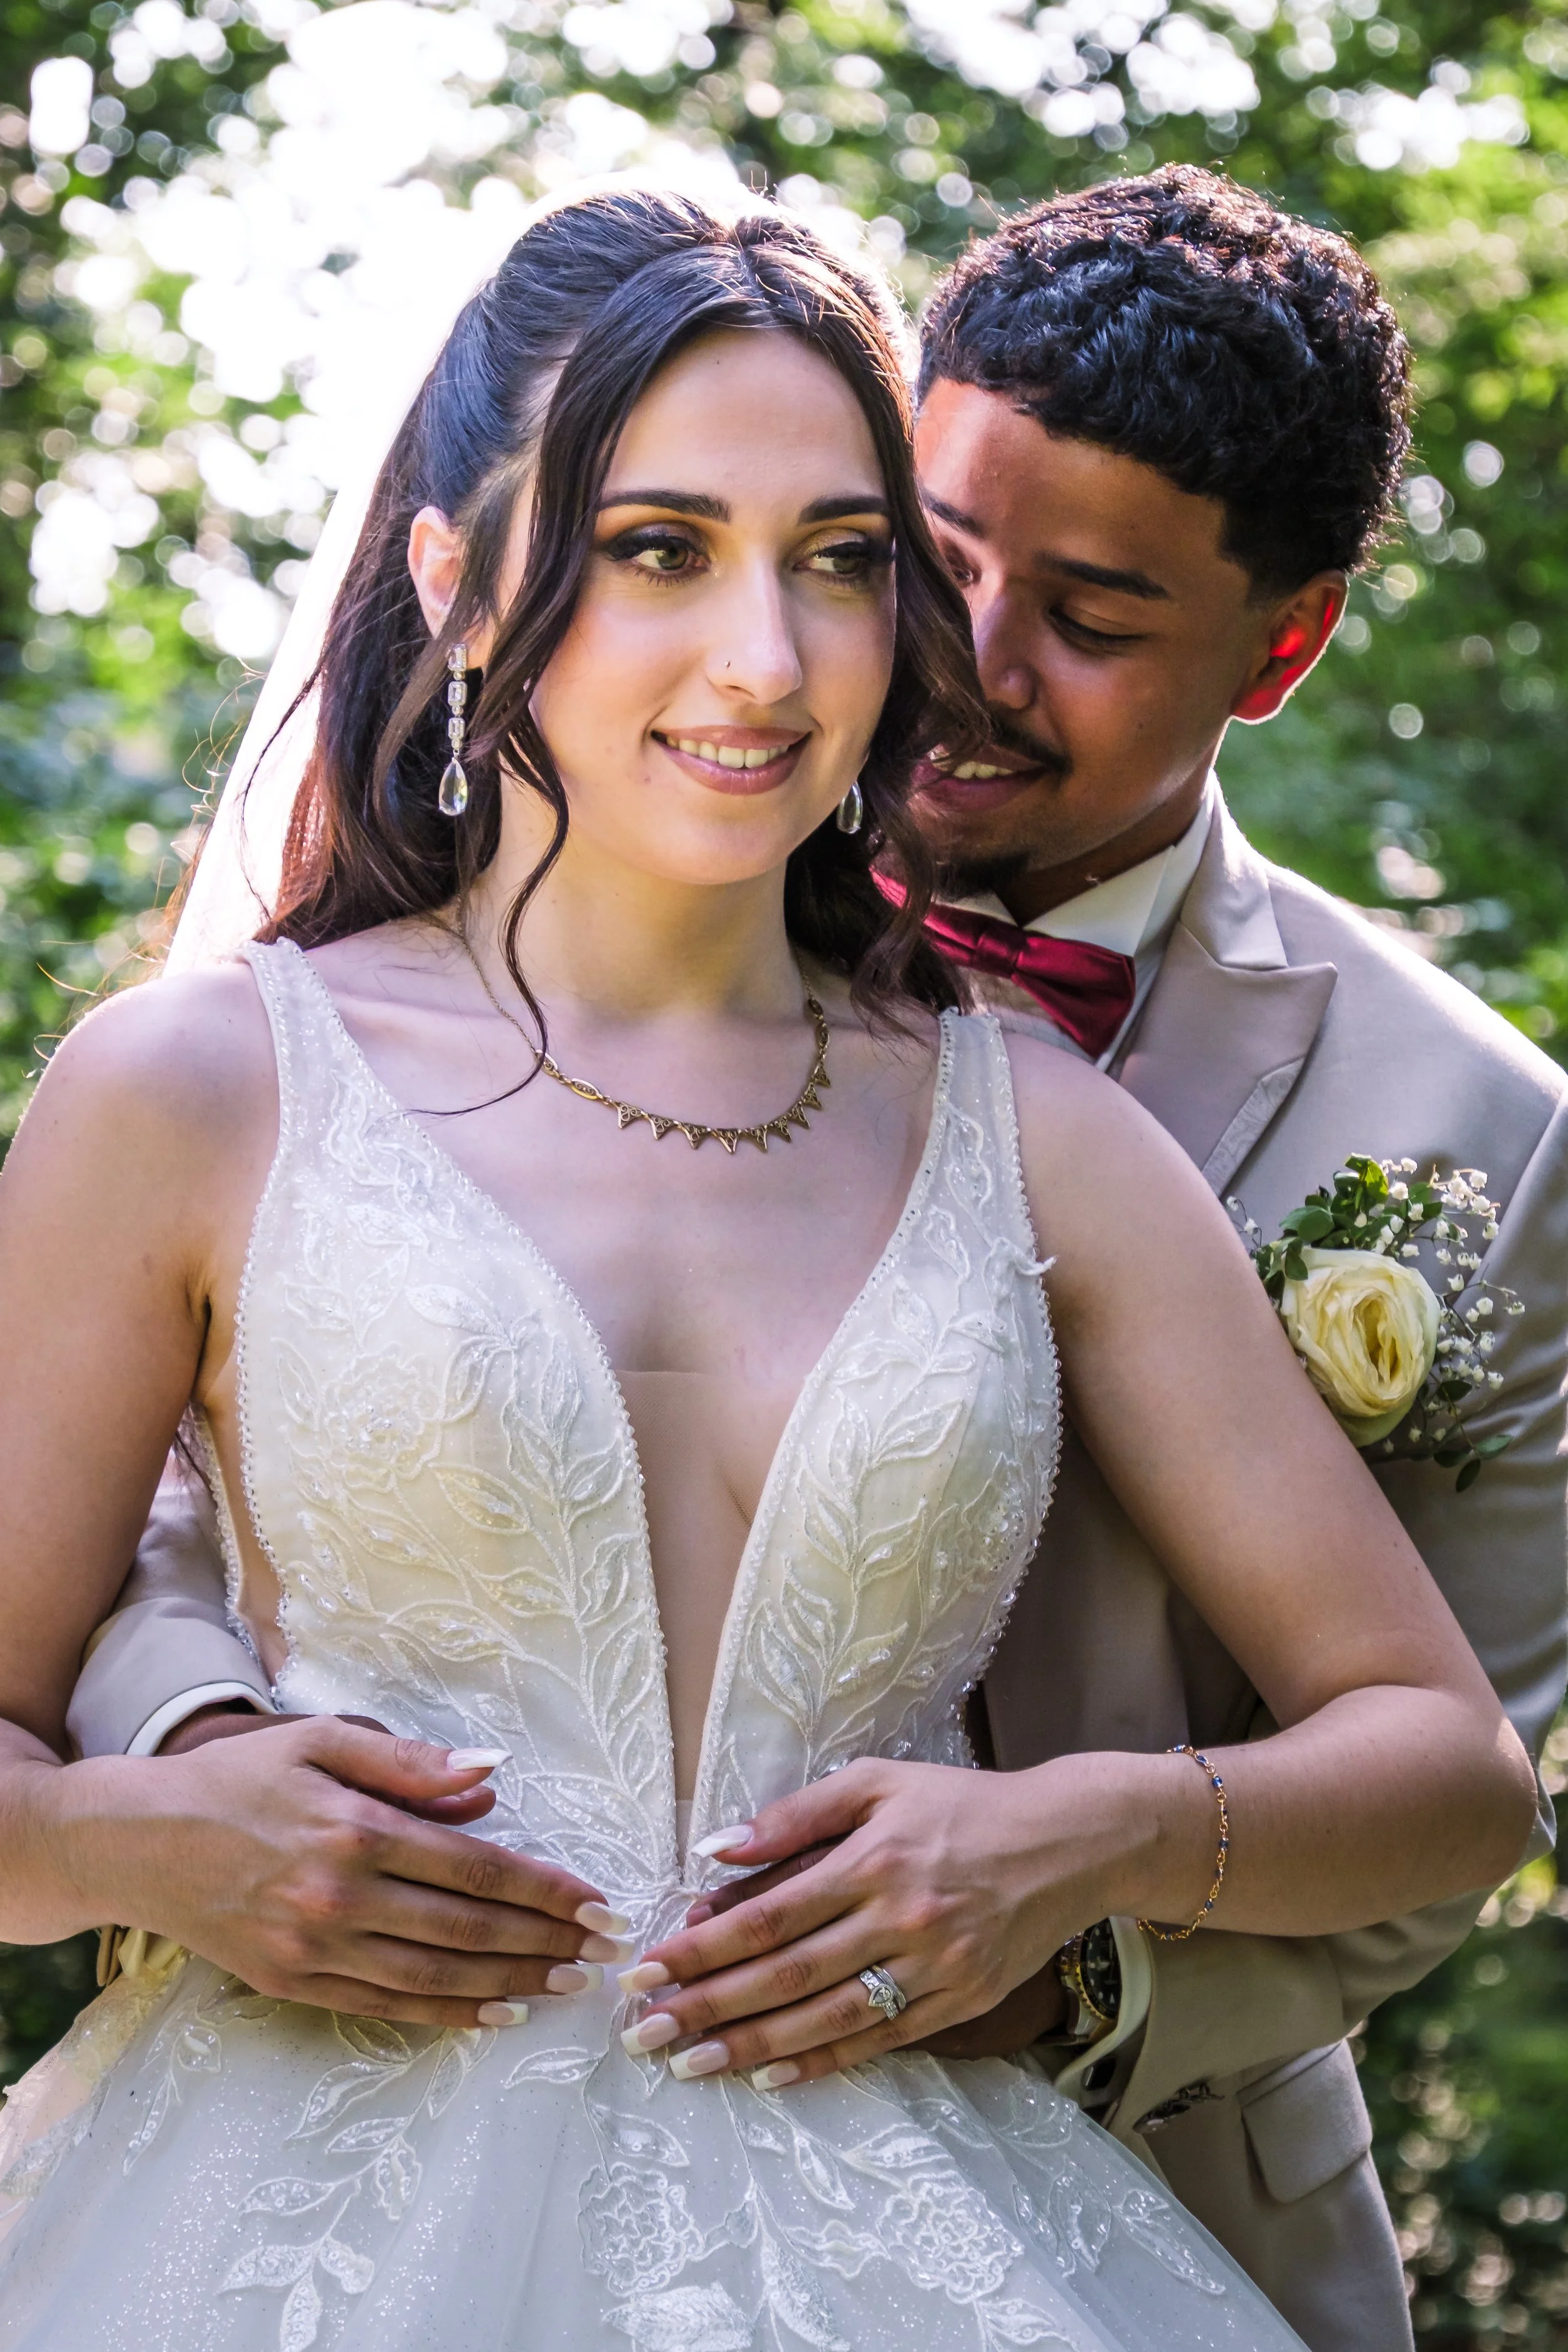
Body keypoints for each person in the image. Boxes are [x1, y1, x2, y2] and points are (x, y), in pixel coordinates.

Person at [3, 184, 1533, 2349]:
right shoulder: (195, 1091)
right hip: (281, 2224)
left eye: (836, 561)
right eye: (658, 550)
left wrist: (1076, 1841)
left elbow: (1448, 1764)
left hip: (945, 2221)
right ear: (450, 576)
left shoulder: (1034, 1131)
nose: (768, 655)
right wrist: (144, 1839)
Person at [890, 169, 1568, 2349]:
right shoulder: (600, 908)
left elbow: (1464, 1793)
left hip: (1160, 2203)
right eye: (935, 555)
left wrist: (1069, 1968)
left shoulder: (1484, 1140)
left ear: (1278, 645)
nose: (965, 669)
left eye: (1088, 618)